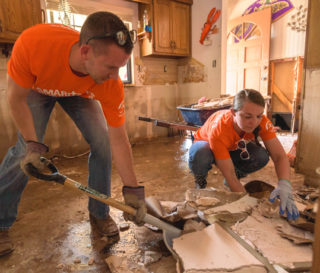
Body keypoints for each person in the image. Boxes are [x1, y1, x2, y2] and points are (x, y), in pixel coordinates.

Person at [0, 11, 146, 257]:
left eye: (120, 68)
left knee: (103, 143)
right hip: (38, 86)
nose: (115, 76)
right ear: (86, 52)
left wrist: (132, 191)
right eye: (111, 66)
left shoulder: (109, 82)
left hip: (80, 91)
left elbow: (118, 138)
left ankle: (99, 212)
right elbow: (15, 99)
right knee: (22, 153)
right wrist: (33, 145)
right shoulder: (33, 44)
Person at [188, 89, 299, 221]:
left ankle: (238, 172)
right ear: (233, 113)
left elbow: (280, 156)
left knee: (261, 156)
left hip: (232, 145)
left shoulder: (261, 122)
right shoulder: (219, 129)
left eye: (259, 116)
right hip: (205, 143)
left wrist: (284, 184)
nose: (254, 122)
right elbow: (229, 174)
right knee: (201, 154)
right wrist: (248, 204)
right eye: (247, 116)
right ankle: (200, 180)